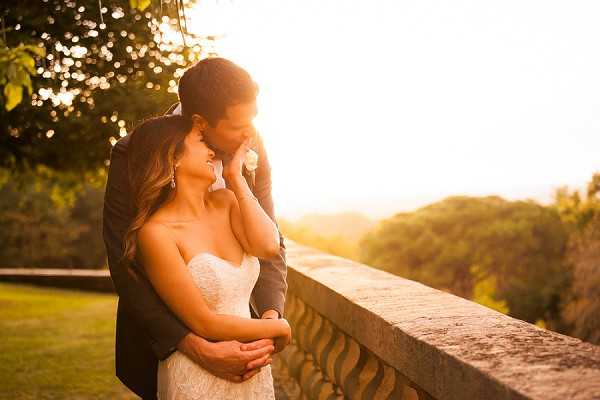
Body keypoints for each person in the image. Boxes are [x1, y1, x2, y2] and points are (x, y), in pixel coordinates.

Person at [102, 57, 289, 399]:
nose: (250, 134)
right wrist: (194, 346)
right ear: (201, 123)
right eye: (238, 126)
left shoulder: (250, 150)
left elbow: (271, 242)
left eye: (254, 120)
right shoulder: (133, 154)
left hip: (245, 346)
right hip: (170, 348)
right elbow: (123, 263)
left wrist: (268, 318)